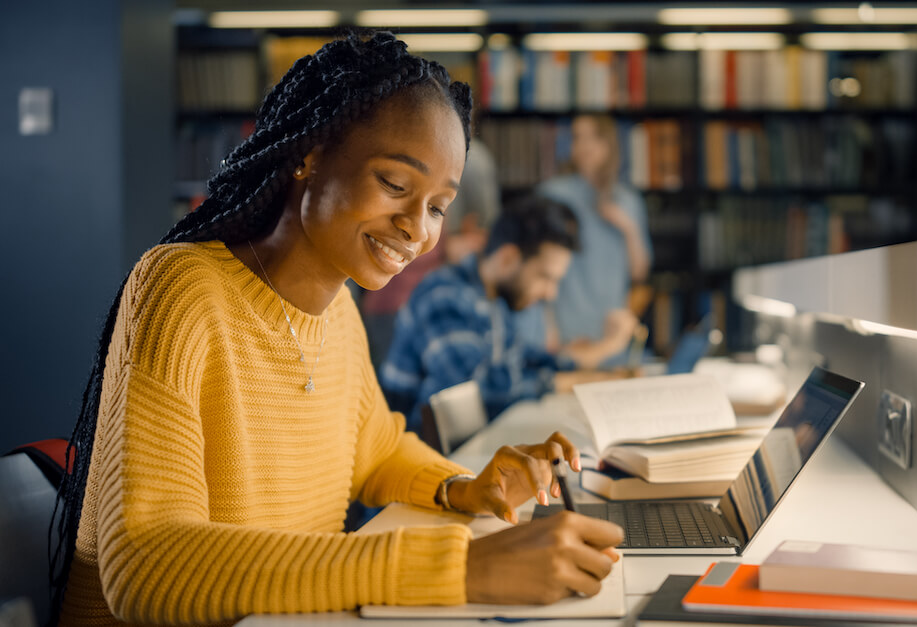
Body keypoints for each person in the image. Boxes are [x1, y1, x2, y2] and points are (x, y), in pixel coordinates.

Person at [51, 33, 622, 626]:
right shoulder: (182, 290)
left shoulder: (339, 310)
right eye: (396, 185)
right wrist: (458, 567)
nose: (416, 229)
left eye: (437, 207)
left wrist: (464, 487)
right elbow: (145, 565)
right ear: (310, 154)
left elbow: (373, 452)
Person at [380, 195, 637, 428]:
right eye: (545, 277)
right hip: (415, 458)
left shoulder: (493, 300)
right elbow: (474, 393)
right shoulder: (444, 297)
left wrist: (598, 363)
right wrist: (576, 382)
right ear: (508, 258)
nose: (551, 293)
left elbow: (521, 360)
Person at [516, 114, 653, 360]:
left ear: (610, 144)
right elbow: (534, 267)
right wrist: (547, 326)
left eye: (594, 137)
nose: (585, 146)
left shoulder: (628, 201)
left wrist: (628, 229)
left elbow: (639, 273)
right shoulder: (553, 195)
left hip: (611, 332)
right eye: (578, 138)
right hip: (566, 330)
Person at [359, 136, 501, 371]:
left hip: (411, 303)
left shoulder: (468, 161)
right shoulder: (469, 159)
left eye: (437, 208)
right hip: (394, 306)